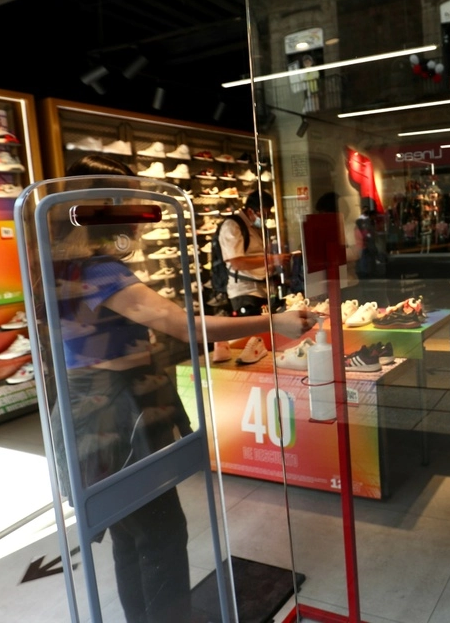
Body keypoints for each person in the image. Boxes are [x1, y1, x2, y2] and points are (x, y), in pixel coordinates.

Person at [55, 155, 312, 623]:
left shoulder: (67, 268)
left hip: (97, 407)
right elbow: (177, 323)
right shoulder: (100, 272)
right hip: (117, 413)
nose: (137, 214)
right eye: (129, 203)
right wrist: (275, 320)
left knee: (130, 530)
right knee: (161, 532)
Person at [219, 191, 277, 316]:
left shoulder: (253, 226)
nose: (268, 217)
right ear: (251, 211)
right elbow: (237, 263)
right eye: (265, 214)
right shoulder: (232, 226)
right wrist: (273, 259)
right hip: (245, 293)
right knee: (254, 333)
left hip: (262, 290)